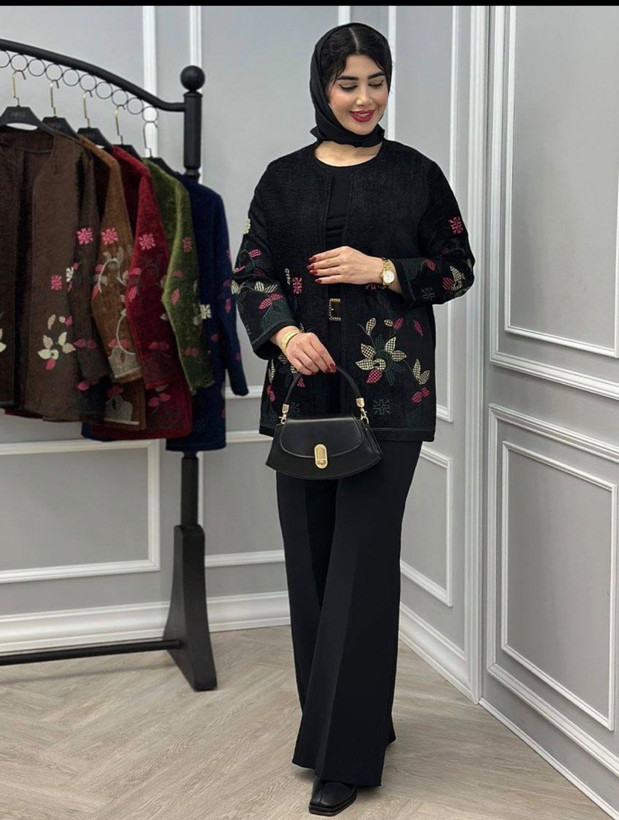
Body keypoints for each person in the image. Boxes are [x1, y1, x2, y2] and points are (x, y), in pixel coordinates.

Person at [231, 21, 476, 816]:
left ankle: (344, 757)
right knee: (310, 567)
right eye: (348, 84)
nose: (364, 98)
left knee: (362, 566)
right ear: (322, 88)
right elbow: (250, 272)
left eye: (376, 82)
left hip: (390, 396)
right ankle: (345, 722)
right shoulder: (282, 180)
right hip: (300, 399)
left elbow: (456, 269)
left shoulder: (415, 176)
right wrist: (283, 334)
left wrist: (384, 269)